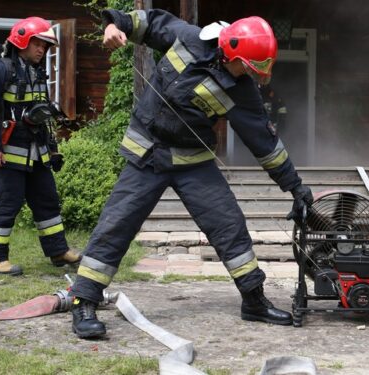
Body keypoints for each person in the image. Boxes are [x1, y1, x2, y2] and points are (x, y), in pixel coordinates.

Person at [69, 8, 313, 338]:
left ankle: (254, 301)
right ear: (232, 51)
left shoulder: (242, 91)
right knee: (117, 223)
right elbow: (147, 22)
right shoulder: (187, 37)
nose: (252, 75)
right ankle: (84, 301)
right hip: (148, 155)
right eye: (249, 66)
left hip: (193, 163)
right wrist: (113, 25)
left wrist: (295, 187)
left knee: (229, 224)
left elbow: (265, 144)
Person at [0, 17, 81, 276]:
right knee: (7, 203)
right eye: (38, 44)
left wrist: (53, 149)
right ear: (22, 40)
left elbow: (42, 117)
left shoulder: (36, 73)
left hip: (37, 153)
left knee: (48, 202)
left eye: (45, 46)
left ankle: (58, 251)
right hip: (9, 153)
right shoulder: (0, 70)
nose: (42, 50)